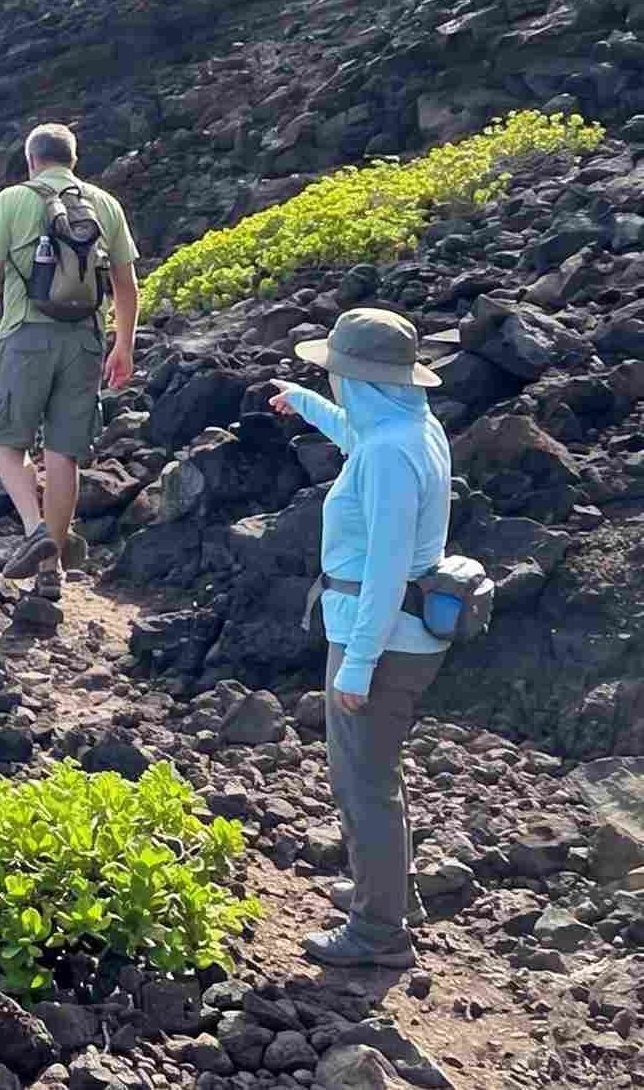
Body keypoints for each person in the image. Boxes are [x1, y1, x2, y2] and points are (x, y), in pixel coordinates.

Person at [268, 308, 450, 971]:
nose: (334, 383)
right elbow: (358, 436)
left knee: (361, 783)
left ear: (360, 378)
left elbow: (386, 566)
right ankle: (391, 894)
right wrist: (305, 402)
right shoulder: (413, 428)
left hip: (380, 639)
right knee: (378, 772)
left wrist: (358, 663)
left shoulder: (388, 453)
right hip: (404, 634)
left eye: (334, 375)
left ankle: (378, 932)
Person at [0, 123, 140, 601]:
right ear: (74, 160)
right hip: (86, 342)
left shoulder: (12, 200)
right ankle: (50, 571)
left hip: (26, 338)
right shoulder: (105, 205)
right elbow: (126, 284)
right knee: (63, 453)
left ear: (31, 160)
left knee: (5, 440)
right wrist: (123, 345)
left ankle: (35, 529)